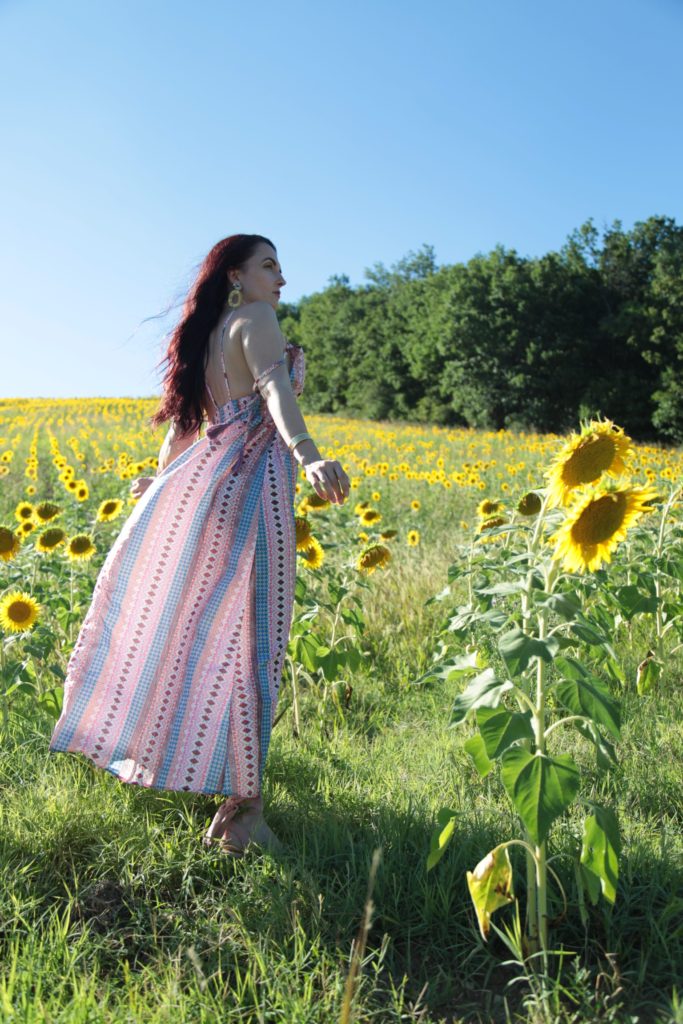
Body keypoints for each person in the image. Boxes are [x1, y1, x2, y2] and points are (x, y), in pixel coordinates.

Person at [49, 234, 351, 857]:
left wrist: (160, 482)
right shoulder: (254, 319)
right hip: (252, 496)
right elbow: (274, 388)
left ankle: (232, 797)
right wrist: (310, 455)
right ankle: (243, 813)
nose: (282, 278)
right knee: (254, 641)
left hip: (207, 492)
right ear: (236, 275)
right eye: (269, 265)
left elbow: (189, 428)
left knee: (203, 635)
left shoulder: (206, 339)